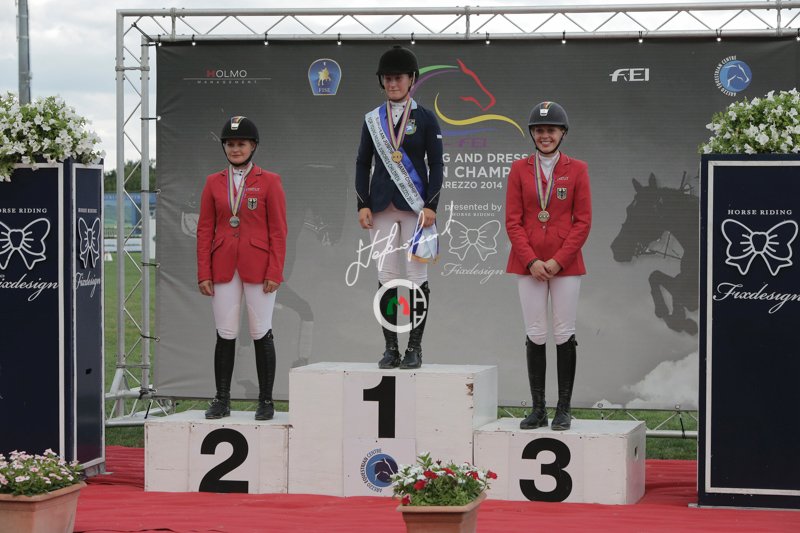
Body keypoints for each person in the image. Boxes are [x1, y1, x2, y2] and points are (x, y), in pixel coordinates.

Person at [355, 46, 444, 370]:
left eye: (399, 78)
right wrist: (362, 203)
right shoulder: (371, 120)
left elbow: (436, 163)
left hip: (415, 208)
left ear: (412, 79)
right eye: (388, 78)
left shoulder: (425, 117)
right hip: (381, 207)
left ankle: (414, 348)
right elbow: (363, 162)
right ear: (382, 81)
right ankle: (391, 347)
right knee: (387, 275)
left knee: (416, 275)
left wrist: (431, 205)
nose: (393, 83)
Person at [504, 101, 592, 431]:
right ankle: (538, 408)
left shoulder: (577, 169)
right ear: (532, 133)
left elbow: (583, 222)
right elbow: (513, 221)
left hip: (564, 264)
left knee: (564, 332)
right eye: (539, 130)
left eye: (551, 130)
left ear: (562, 133)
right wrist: (531, 260)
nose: (545, 136)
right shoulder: (519, 169)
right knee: (536, 332)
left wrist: (557, 261)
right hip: (528, 264)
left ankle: (563, 409)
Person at [197, 116, 287, 420]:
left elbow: (279, 231)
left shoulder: (269, 181)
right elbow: (204, 230)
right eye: (230, 144)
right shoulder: (213, 182)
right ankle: (222, 399)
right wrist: (204, 272)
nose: (235, 149)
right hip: (223, 266)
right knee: (225, 332)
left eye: (241, 144)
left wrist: (275, 271)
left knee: (261, 331)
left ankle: (266, 400)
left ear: (253, 146)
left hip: (259, 267)